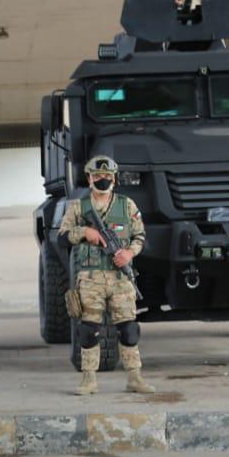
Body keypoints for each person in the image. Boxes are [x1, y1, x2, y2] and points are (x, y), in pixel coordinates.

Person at [59, 155, 154, 396]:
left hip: (120, 278)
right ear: (89, 178)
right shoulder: (79, 207)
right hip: (90, 279)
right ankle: (89, 379)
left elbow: (140, 236)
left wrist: (129, 254)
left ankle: (134, 377)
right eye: (98, 176)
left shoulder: (127, 205)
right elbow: (61, 237)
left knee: (129, 329)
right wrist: (84, 231)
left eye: (107, 176)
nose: (103, 180)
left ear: (115, 178)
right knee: (88, 330)